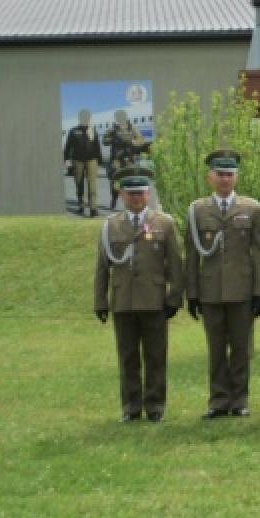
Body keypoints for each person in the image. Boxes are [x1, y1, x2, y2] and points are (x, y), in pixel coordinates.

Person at [185, 149, 260, 418]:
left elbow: (259, 252)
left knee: (241, 349)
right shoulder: (197, 210)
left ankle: (240, 400)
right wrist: (193, 293)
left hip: (241, 290)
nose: (225, 179)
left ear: (237, 177)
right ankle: (218, 401)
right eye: (220, 174)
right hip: (211, 291)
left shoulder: (251, 208)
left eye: (229, 174)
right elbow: (191, 255)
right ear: (210, 177)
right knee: (216, 349)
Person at [94, 166, 181, 422]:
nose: (136, 198)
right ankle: (131, 408)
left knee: (155, 357)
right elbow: (102, 267)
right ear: (122, 195)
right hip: (123, 301)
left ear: (148, 193)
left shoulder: (164, 224)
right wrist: (100, 301)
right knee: (128, 357)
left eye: (140, 193)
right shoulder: (111, 226)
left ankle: (155, 407)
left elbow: (175, 264)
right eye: (130, 193)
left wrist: (175, 297)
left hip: (154, 301)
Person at [63, 109, 104, 217]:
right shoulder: (73, 131)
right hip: (77, 160)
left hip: (91, 160)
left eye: (87, 117)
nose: (85, 118)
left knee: (92, 185)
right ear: (80, 118)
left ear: (89, 118)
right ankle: (81, 206)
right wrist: (66, 159)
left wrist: (100, 160)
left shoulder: (92, 130)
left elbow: (97, 145)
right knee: (79, 183)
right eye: (83, 117)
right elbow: (68, 146)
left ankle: (93, 209)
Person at [102, 110, 145, 212]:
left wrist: (132, 141)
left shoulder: (132, 128)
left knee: (130, 182)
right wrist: (114, 139)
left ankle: (129, 204)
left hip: (129, 159)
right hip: (116, 160)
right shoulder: (112, 129)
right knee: (115, 182)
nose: (120, 118)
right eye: (118, 117)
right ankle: (114, 198)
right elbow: (104, 141)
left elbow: (141, 140)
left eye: (122, 116)